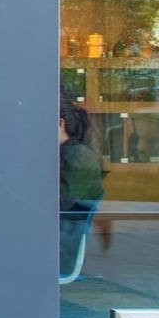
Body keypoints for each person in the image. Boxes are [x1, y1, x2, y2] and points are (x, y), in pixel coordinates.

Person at [60, 99, 104, 277]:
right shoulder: (73, 154)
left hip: (60, 247)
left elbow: (63, 205)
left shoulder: (77, 156)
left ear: (60, 123)